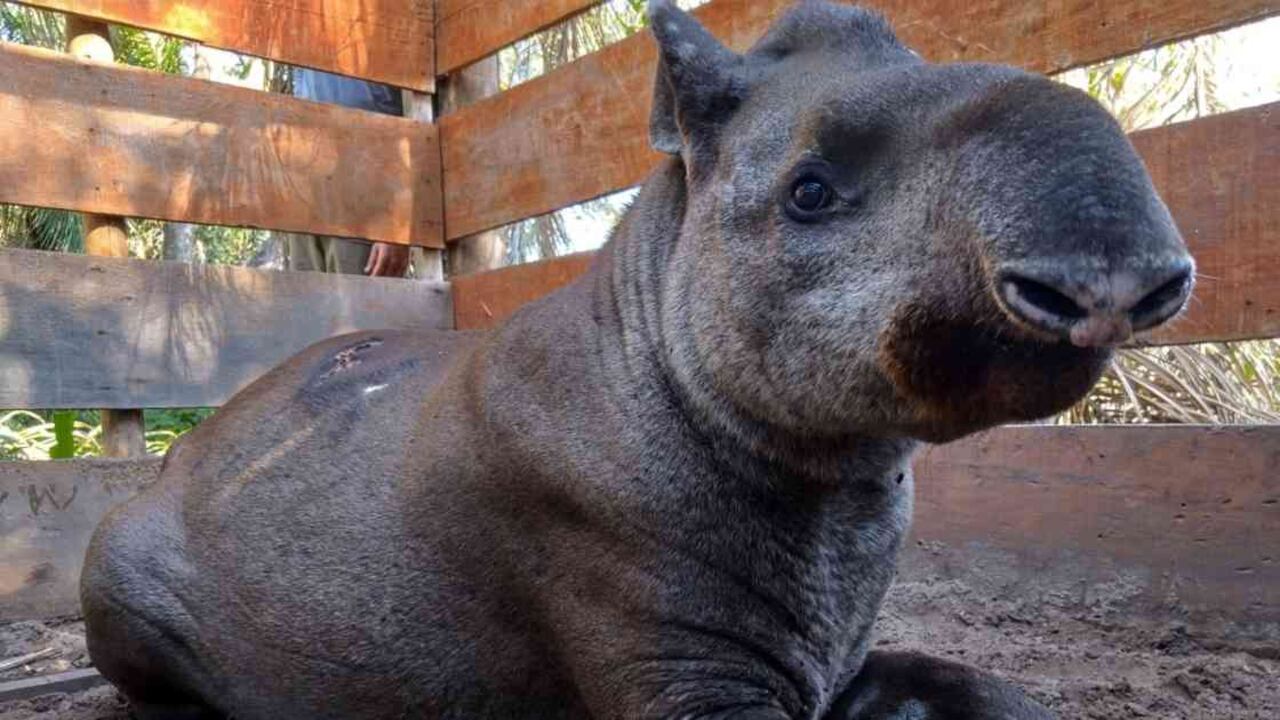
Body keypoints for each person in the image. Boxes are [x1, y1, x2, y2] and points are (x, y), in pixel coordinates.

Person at [282, 68, 412, 277]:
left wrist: (397, 221)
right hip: (307, 201)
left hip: (363, 198)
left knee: (363, 304)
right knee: (306, 305)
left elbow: (415, 120)